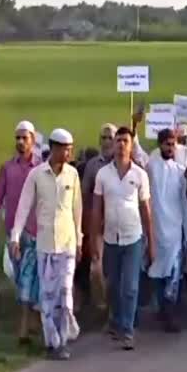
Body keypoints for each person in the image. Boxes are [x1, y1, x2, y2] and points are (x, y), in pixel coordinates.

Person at [11, 129, 82, 360]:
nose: (69, 152)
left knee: (65, 293)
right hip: (44, 245)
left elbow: (77, 210)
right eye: (65, 147)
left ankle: (63, 338)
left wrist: (79, 240)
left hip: (68, 243)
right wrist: (15, 237)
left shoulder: (72, 175)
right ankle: (52, 343)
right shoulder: (36, 175)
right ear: (54, 148)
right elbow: (23, 207)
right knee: (47, 297)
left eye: (71, 147)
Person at [92, 127, 154, 351]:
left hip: (133, 238)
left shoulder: (139, 175)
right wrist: (93, 242)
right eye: (118, 140)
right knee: (113, 285)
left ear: (131, 145)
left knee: (130, 286)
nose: (120, 145)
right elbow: (97, 210)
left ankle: (128, 330)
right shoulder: (103, 174)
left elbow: (146, 210)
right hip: (110, 237)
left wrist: (151, 243)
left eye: (125, 141)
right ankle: (117, 321)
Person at [0, 120, 42, 345]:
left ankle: (23, 329)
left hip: (37, 232)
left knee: (29, 279)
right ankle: (34, 321)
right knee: (21, 278)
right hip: (15, 235)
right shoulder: (7, 168)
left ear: (33, 140)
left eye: (24, 138)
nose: (20, 142)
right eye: (17, 138)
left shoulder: (41, 168)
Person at [146, 129, 187, 332]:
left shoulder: (180, 170)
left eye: (173, 144)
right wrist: (134, 123)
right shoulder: (151, 167)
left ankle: (169, 312)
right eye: (166, 144)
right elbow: (136, 153)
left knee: (174, 273)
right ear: (159, 145)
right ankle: (160, 310)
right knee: (158, 271)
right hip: (157, 230)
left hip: (175, 231)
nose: (170, 148)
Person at [80, 123, 117, 312]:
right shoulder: (92, 165)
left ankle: (117, 309)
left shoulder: (125, 163)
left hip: (120, 226)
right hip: (99, 227)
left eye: (111, 137)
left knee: (117, 272)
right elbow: (83, 196)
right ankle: (103, 307)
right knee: (97, 270)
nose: (107, 141)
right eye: (104, 137)